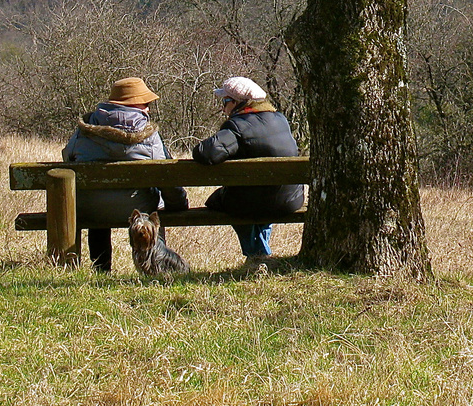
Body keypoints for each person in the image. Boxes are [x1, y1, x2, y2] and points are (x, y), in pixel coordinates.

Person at [63, 76, 188, 273]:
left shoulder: (83, 132)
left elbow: (67, 158)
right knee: (155, 213)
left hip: (92, 208)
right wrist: (178, 204)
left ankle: (101, 269)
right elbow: (167, 176)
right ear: (136, 104)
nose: (148, 108)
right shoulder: (150, 136)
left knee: (99, 207)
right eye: (146, 103)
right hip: (139, 206)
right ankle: (154, 267)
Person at [192, 76, 303, 271]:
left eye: (225, 101)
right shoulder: (281, 120)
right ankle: (261, 256)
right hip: (290, 199)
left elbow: (205, 153)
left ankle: (258, 257)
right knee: (257, 199)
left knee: (222, 201)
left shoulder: (237, 126)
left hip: (255, 202)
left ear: (237, 103)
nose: (223, 108)